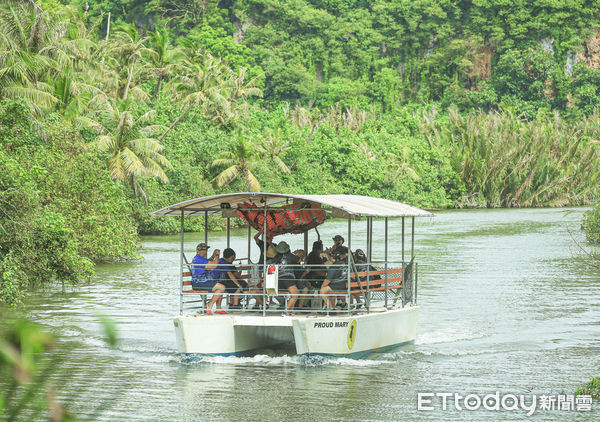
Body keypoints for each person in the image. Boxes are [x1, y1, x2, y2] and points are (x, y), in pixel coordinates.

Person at [273, 241, 300, 315]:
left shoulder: (276, 257)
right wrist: (300, 253)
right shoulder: (289, 255)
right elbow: (299, 260)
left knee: (293, 294)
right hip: (288, 278)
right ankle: (286, 311)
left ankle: (291, 310)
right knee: (295, 294)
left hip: (278, 280)